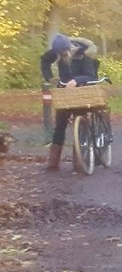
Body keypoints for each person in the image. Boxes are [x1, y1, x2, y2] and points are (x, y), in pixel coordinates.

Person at [41, 32, 101, 171]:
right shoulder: (55, 53)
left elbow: (91, 75)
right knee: (60, 125)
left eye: (63, 52)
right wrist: (49, 77)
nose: (62, 55)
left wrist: (77, 80)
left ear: (69, 49)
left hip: (83, 89)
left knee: (81, 123)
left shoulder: (84, 55)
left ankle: (79, 161)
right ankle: (53, 162)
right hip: (65, 90)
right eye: (59, 53)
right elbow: (44, 60)